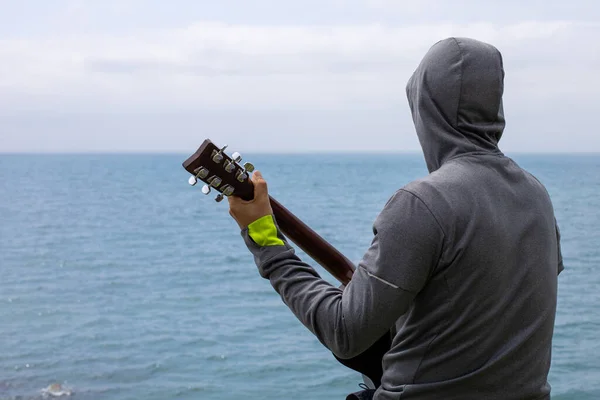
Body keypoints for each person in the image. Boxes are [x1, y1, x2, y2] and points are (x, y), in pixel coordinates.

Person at [228, 37, 563, 400]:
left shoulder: (423, 202)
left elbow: (345, 332)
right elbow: (484, 304)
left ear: (425, 107)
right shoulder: (536, 194)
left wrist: (264, 237)